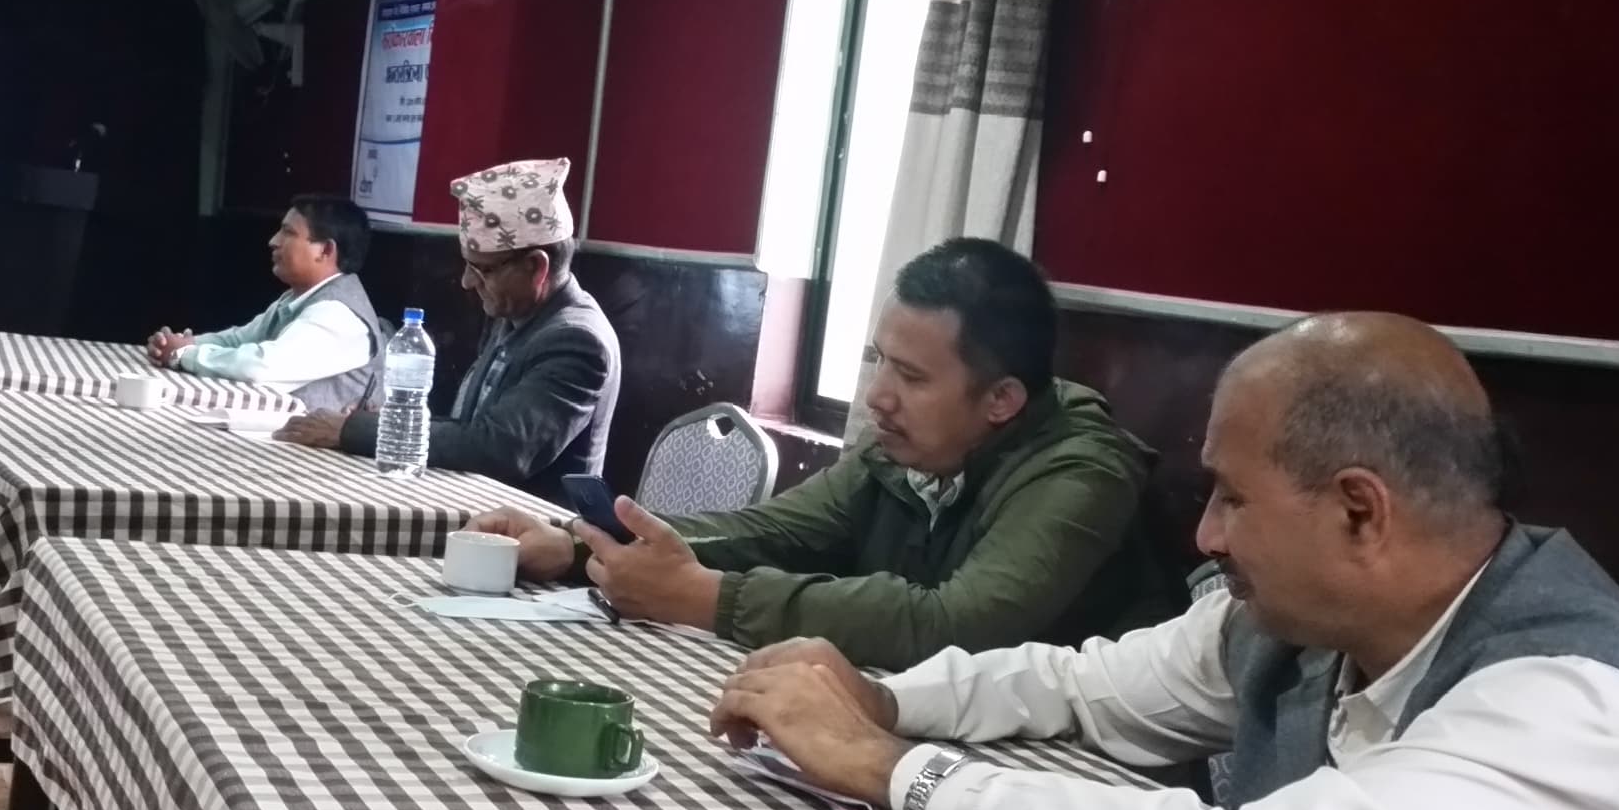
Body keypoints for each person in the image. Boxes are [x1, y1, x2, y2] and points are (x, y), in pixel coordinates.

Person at [708, 312, 1619, 810]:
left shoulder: (1575, 708)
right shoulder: (1290, 624)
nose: (1205, 534)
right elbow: (1081, 686)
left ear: (1358, 512)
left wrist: (890, 768)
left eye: (1232, 497)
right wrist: (884, 699)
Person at [472, 237, 1169, 672]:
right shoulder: (904, 448)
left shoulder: (1083, 472)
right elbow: (772, 530)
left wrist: (711, 599)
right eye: (878, 361)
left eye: (912, 377)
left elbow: (956, 624)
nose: (879, 397)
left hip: (1073, 770)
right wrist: (580, 544)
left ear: (1002, 400)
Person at [277, 158, 620, 502]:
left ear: (535, 267)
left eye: (482, 269)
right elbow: (471, 427)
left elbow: (500, 449)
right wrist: (385, 421)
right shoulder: (516, 314)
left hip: (536, 526)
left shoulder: (577, 340)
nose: (468, 281)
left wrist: (356, 431)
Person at [148, 195, 383, 412]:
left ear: (326, 250)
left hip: (312, 443)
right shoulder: (297, 297)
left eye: (288, 233)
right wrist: (185, 343)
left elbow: (261, 367)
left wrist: (184, 354)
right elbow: (240, 339)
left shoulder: (339, 315)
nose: (273, 241)